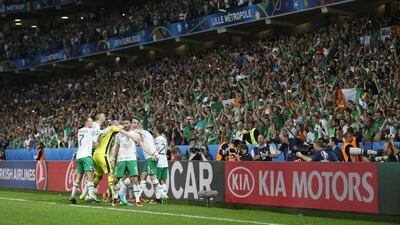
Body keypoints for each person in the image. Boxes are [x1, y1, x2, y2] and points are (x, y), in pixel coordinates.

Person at [123, 118, 161, 204]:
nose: (134, 125)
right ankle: (138, 197)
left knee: (153, 178)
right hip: (152, 156)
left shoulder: (137, 132)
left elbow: (128, 133)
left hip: (151, 156)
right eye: (134, 123)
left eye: (136, 123)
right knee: (143, 176)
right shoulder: (147, 132)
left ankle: (159, 198)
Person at [112, 118, 141, 207]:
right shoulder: (118, 135)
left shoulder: (135, 134)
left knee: (135, 178)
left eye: (127, 123)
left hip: (131, 158)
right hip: (121, 158)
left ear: (130, 124)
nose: (125, 124)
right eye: (124, 123)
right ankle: (116, 198)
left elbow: (138, 141)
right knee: (117, 179)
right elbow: (116, 147)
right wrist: (114, 158)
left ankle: (137, 200)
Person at [91, 121, 121, 206]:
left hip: (95, 155)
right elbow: (120, 129)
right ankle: (114, 197)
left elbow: (96, 143)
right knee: (110, 174)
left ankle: (91, 194)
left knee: (99, 176)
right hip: (103, 154)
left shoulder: (102, 132)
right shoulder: (112, 129)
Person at [69, 117, 98, 204]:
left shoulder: (80, 130)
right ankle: (92, 195)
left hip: (79, 155)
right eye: (90, 121)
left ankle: (72, 196)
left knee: (78, 177)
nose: (92, 123)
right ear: (86, 122)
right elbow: (95, 142)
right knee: (90, 175)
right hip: (86, 155)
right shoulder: (90, 130)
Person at [153, 124, 169, 204]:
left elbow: (155, 149)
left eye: (155, 129)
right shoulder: (164, 139)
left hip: (158, 161)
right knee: (163, 180)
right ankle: (164, 198)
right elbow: (166, 150)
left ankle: (158, 198)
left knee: (156, 180)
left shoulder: (156, 139)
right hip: (164, 161)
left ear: (157, 130)